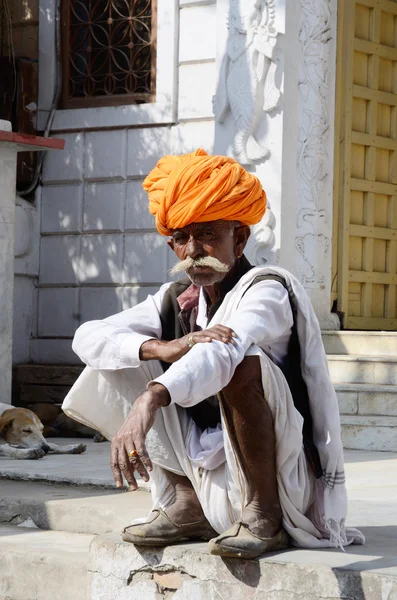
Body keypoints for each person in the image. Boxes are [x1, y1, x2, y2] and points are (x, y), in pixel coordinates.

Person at [66, 149, 364, 559]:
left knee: (240, 363)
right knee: (113, 358)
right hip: (209, 473)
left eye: (207, 234)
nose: (193, 250)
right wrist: (161, 348)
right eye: (182, 239)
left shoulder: (268, 290)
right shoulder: (176, 299)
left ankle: (264, 518)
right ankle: (188, 505)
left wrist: (152, 395)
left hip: (281, 477)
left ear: (239, 239)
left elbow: (224, 353)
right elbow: (88, 335)